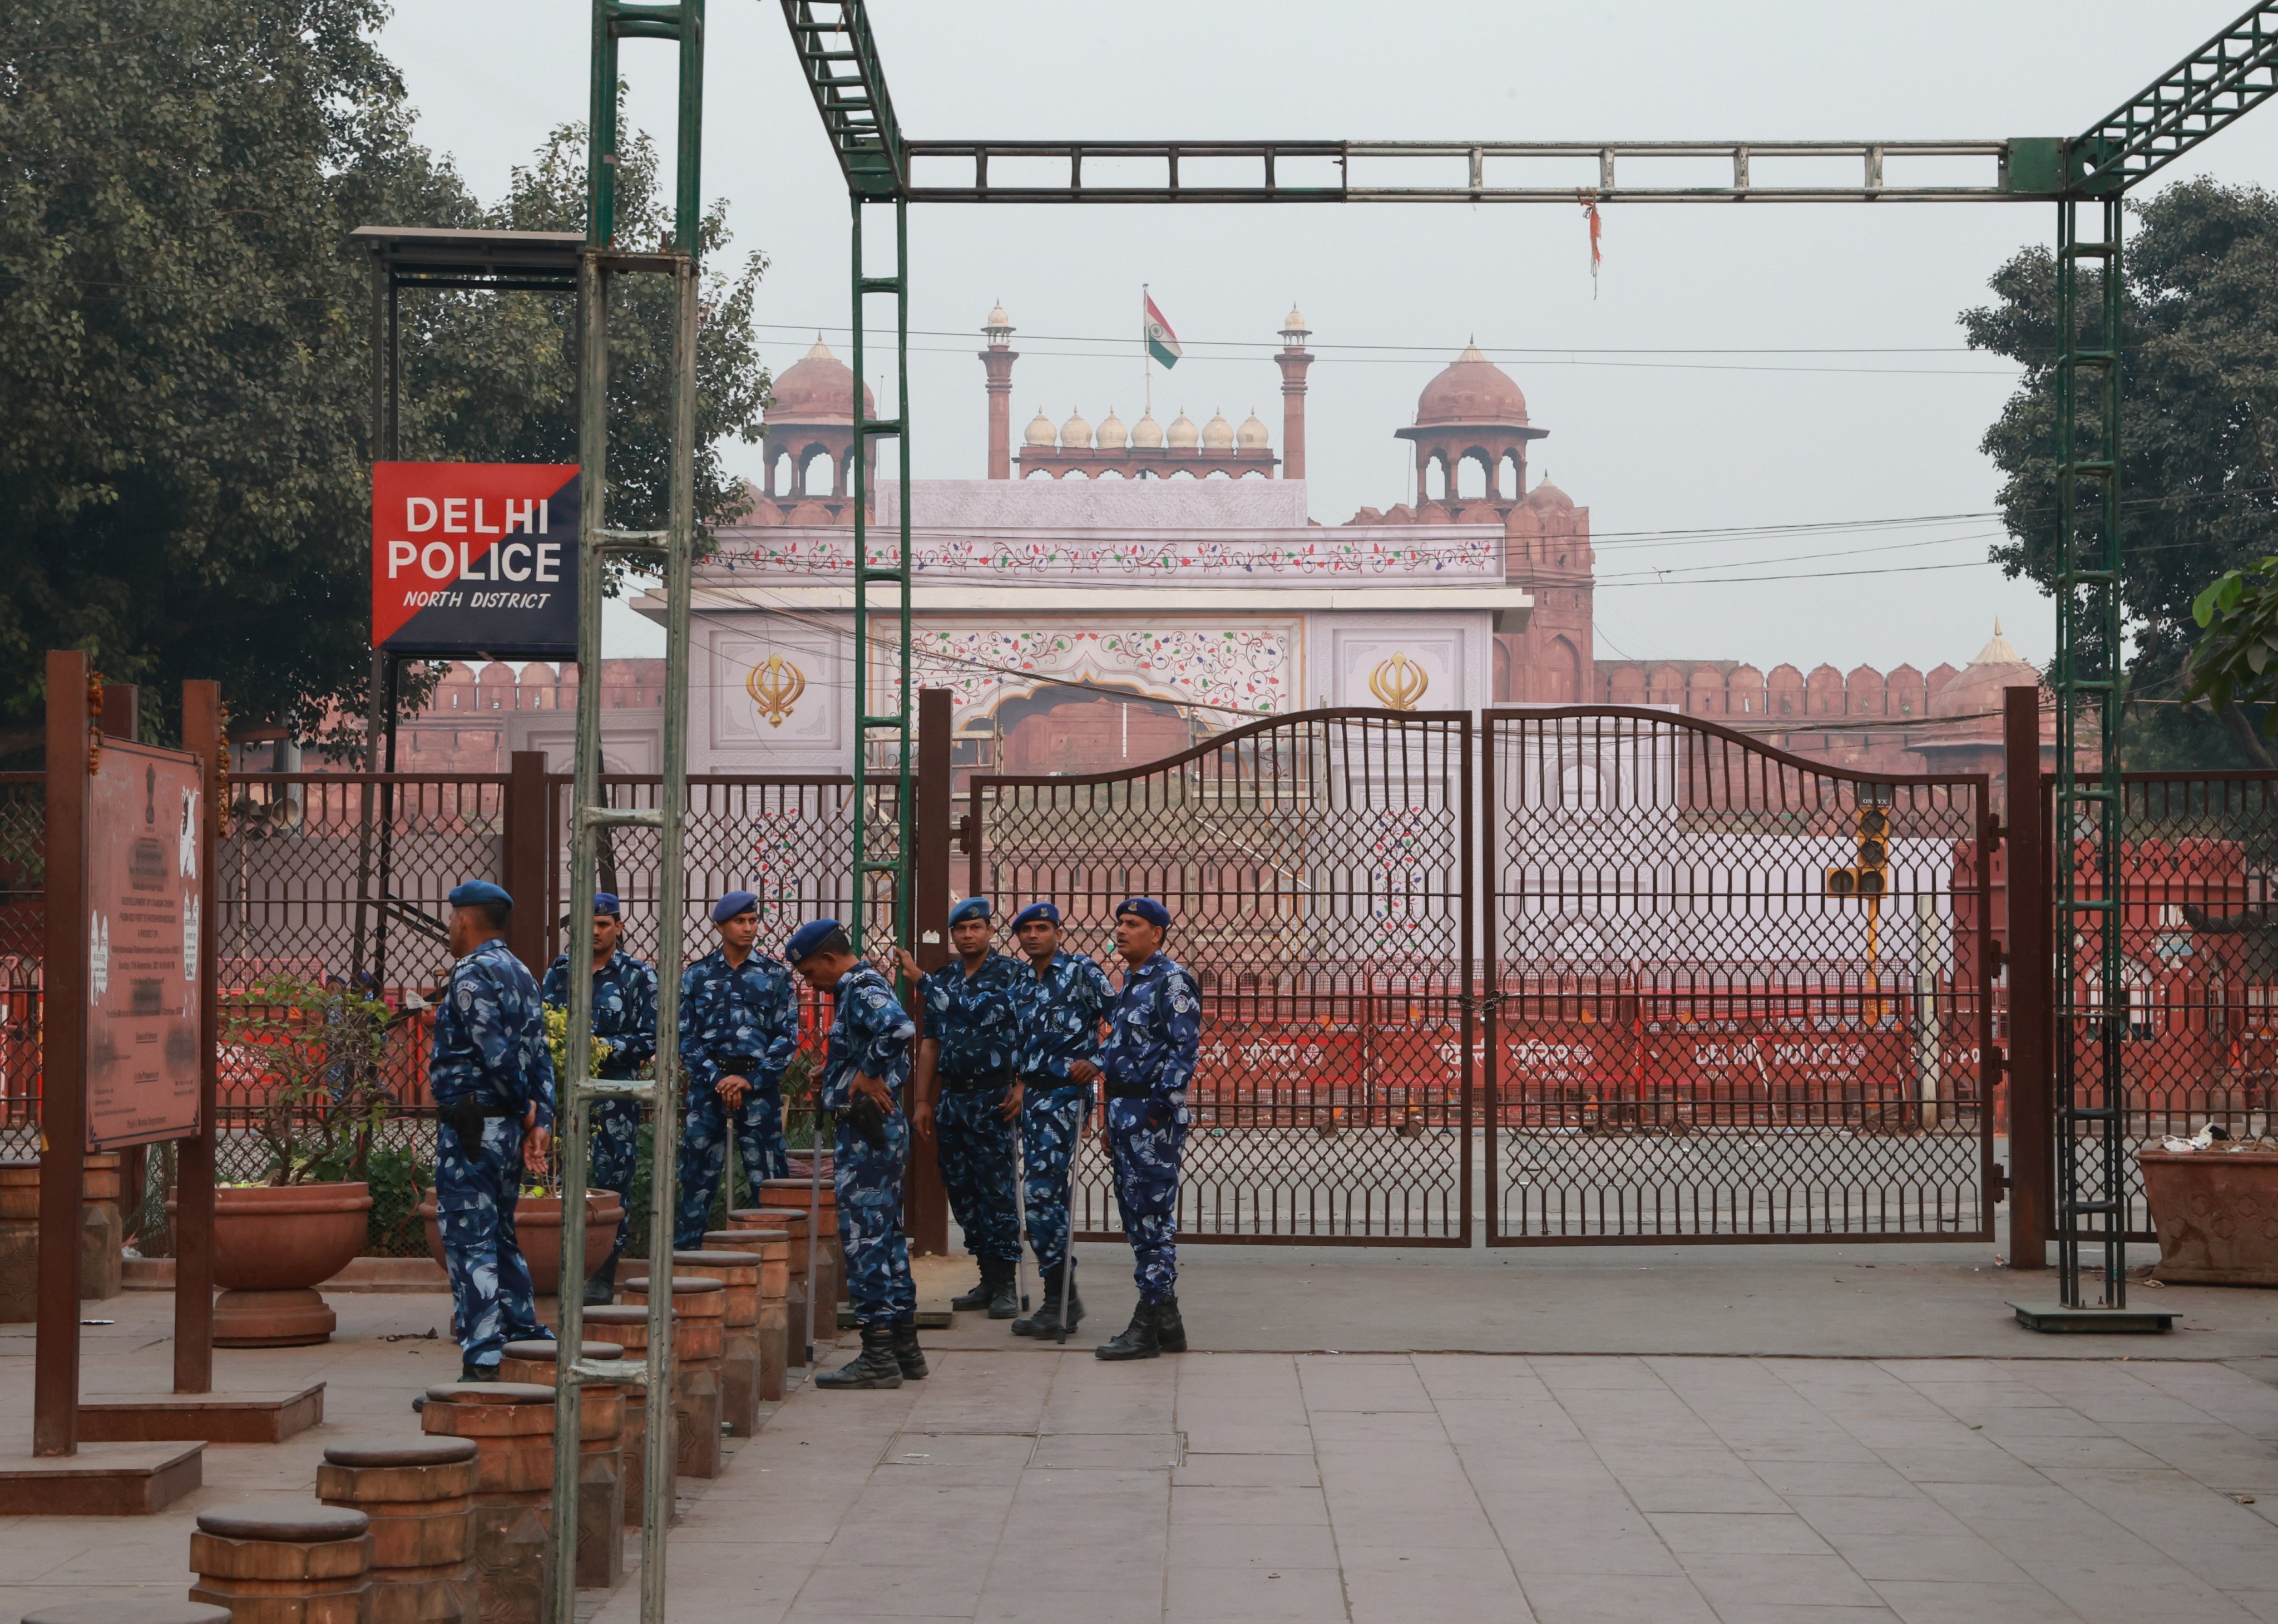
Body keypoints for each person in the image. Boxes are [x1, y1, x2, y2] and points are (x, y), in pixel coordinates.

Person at [787, 918, 924, 1389]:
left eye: (809, 973)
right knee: (886, 1237)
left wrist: (865, 1075)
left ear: (827, 959)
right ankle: (905, 1348)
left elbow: (900, 1029)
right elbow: (875, 1041)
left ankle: (877, 1356)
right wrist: (838, 1071)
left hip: (867, 1132)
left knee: (865, 1239)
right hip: (875, 1128)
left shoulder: (860, 985)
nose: (810, 983)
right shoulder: (857, 988)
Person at [428, 881, 555, 1381]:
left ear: (465, 919)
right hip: (501, 1128)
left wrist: (526, 1109)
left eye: (452, 917)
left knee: (469, 1240)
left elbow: (493, 1051)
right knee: (500, 1233)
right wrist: (540, 1117)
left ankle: (482, 1364)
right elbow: (540, 1053)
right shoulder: (523, 972)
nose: (450, 926)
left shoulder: (471, 974)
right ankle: (523, 1339)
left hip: (475, 1125)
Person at [897, 897, 1027, 1319]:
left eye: (976, 927)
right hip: (953, 1100)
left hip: (995, 1098)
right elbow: (930, 1042)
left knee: (997, 1191)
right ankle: (987, 1277)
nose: (968, 935)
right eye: (961, 929)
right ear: (952, 935)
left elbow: (1028, 1034)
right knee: (963, 1192)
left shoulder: (1013, 975)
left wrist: (1022, 1084)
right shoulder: (946, 976)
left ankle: (1006, 1282)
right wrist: (921, 1100)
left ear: (990, 930)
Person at [1094, 897, 1202, 1362]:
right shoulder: (1131, 983)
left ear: (1156, 933)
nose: (1120, 930)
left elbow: (1184, 1051)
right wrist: (1110, 1117)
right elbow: (1120, 1056)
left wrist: (1157, 1111)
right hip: (1124, 1112)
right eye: (1119, 922)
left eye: (1132, 924)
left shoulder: (1171, 981)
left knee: (1153, 1221)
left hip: (1148, 1118)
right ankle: (1169, 1323)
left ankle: (1146, 1322)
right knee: (1137, 1218)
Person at [540, 892, 658, 1305]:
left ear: (619, 927)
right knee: (556, 1174)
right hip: (565, 1091)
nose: (593, 931)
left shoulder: (638, 976)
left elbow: (649, 1038)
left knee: (612, 1178)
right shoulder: (560, 972)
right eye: (586, 923)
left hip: (614, 1091)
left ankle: (604, 1269)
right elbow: (545, 1024)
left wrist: (597, 1047)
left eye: (603, 923)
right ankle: (558, 1262)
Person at [1007, 900, 1113, 1337]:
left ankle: (1060, 1298)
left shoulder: (1081, 971)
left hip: (1064, 1095)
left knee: (1040, 1192)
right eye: (1026, 929)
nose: (1033, 935)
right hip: (1032, 1095)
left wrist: (1098, 1059)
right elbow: (1019, 1038)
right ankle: (1060, 1297)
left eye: (1041, 927)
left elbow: (1121, 1017)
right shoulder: (1021, 981)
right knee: (1039, 1195)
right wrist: (1017, 1082)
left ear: (1057, 932)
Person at [674, 891, 799, 1248]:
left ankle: (774, 1256)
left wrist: (749, 1079)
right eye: (739, 922)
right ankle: (686, 1260)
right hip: (708, 1086)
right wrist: (717, 1078)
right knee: (697, 1175)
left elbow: (787, 1035)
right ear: (720, 926)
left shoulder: (775, 975)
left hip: (757, 1088)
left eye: (753, 921)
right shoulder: (697, 976)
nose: (748, 928)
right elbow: (686, 1036)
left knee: (769, 1179)